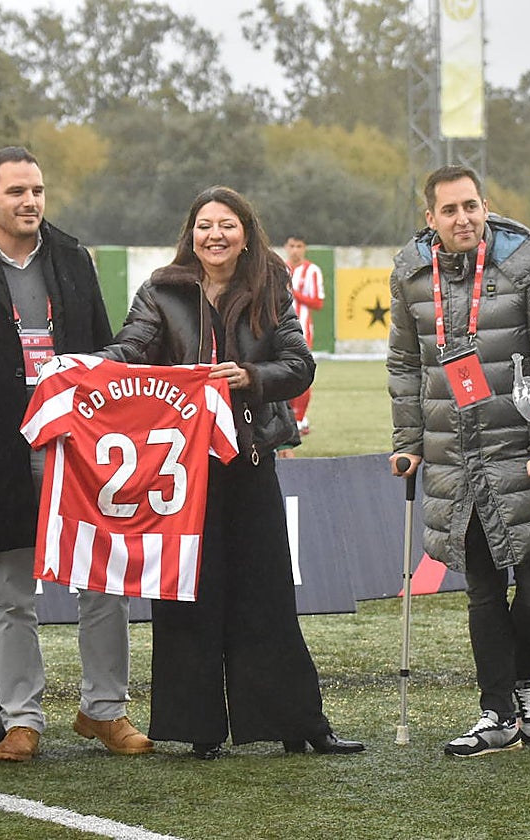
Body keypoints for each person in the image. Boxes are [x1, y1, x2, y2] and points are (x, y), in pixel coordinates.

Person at [100, 185, 364, 759]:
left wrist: (249, 376)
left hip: (249, 463)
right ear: (189, 233)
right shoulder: (161, 290)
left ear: (246, 233)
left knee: (267, 597)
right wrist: (86, 368)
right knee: (187, 594)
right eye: (204, 225)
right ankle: (198, 729)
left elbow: (298, 366)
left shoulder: (270, 285)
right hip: (182, 473)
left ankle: (299, 726)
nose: (214, 235)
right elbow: (132, 350)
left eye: (227, 225)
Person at [0, 146, 150, 762]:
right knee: (9, 597)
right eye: (16, 191)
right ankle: (22, 719)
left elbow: (104, 354)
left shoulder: (72, 259)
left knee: (104, 584)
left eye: (38, 190)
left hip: (78, 450)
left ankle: (105, 710)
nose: (31, 202)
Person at [387, 165, 530, 757]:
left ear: (486, 206)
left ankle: (522, 689)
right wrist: (408, 442)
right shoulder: (411, 275)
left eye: (471, 206)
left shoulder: (526, 266)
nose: (463, 218)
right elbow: (404, 365)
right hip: (453, 460)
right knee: (485, 595)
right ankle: (497, 714)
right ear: (431, 218)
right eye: (450, 210)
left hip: (521, 456)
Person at [284, 235, 324, 436]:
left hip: (303, 330)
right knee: (281, 374)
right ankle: (289, 417)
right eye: (292, 246)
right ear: (286, 247)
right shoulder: (279, 269)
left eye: (299, 246)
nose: (295, 250)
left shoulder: (312, 271)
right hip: (279, 330)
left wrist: (294, 293)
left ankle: (299, 418)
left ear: (304, 248)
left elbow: (318, 303)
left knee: (301, 373)